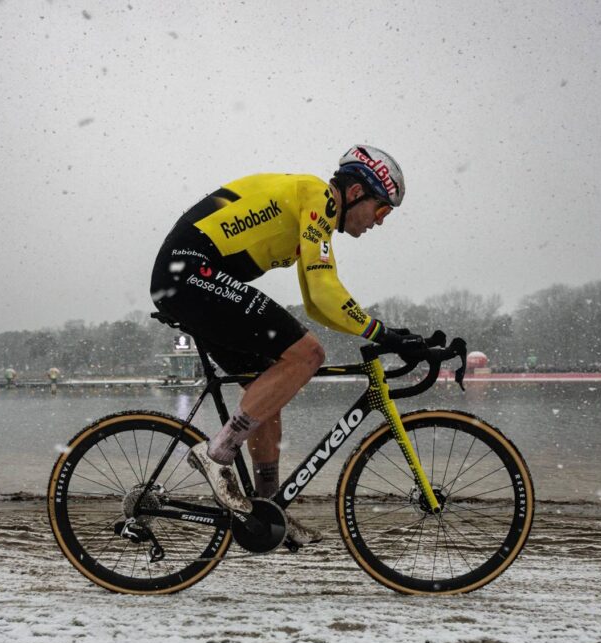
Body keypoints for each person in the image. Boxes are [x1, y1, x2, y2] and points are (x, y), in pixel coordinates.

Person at [149, 145, 421, 546]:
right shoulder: (318, 198)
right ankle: (216, 454)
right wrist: (381, 333)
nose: (379, 223)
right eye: (382, 210)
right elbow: (326, 292)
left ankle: (267, 510)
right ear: (357, 192)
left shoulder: (314, 212)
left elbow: (315, 301)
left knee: (268, 392)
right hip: (189, 271)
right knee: (308, 354)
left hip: (192, 275)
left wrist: (382, 332)